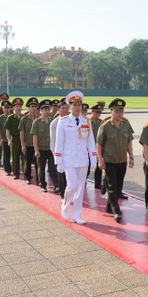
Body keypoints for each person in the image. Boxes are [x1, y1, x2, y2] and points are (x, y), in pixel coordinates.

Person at [54, 91, 97, 224]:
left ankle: (77, 215)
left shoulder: (86, 122)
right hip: (69, 159)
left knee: (80, 188)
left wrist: (94, 160)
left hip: (83, 160)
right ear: (70, 106)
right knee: (72, 185)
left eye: (80, 105)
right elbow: (59, 143)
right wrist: (59, 162)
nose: (78, 107)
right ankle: (65, 206)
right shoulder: (63, 122)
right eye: (75, 105)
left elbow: (91, 142)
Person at [96, 98, 134, 222]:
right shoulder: (105, 126)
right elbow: (99, 144)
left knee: (118, 186)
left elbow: (129, 142)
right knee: (112, 186)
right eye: (116, 111)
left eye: (121, 111)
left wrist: (131, 157)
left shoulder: (126, 125)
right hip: (109, 160)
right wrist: (100, 160)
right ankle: (116, 210)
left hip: (122, 160)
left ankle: (109, 207)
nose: (119, 113)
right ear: (111, 112)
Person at [31, 99, 58, 193]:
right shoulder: (37, 122)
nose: (47, 111)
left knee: (53, 168)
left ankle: (56, 185)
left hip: (51, 149)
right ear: (41, 110)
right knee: (41, 168)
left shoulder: (54, 121)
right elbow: (35, 137)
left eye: (48, 109)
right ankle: (43, 185)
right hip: (41, 149)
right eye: (45, 109)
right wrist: (36, 150)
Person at [50, 100, 69, 198]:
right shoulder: (54, 123)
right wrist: (56, 156)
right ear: (58, 110)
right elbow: (53, 142)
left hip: (70, 153)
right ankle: (62, 194)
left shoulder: (72, 120)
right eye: (63, 108)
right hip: (60, 154)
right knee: (61, 175)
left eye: (67, 108)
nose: (65, 110)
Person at [19, 97, 39, 185]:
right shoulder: (24, 119)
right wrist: (23, 145)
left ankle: (39, 178)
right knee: (28, 163)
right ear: (28, 107)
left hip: (38, 145)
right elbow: (22, 133)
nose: (34, 108)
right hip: (28, 144)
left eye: (35, 106)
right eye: (32, 106)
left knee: (38, 163)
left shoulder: (39, 119)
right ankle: (27, 177)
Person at [4, 98, 24, 179]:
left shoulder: (24, 117)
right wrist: (9, 140)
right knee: (15, 157)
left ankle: (26, 173)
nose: (18, 108)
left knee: (24, 157)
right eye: (17, 106)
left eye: (20, 106)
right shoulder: (10, 118)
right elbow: (7, 130)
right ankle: (16, 173)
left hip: (23, 140)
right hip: (15, 139)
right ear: (13, 108)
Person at [0, 100, 12, 176]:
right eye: (5, 108)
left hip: (13, 139)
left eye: (8, 108)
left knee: (14, 155)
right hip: (5, 139)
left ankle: (14, 168)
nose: (6, 109)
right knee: (6, 155)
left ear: (10, 108)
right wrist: (0, 139)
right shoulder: (0, 118)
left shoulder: (13, 116)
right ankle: (7, 169)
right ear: (2, 108)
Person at [89, 104, 103, 190]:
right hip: (89, 147)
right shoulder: (87, 122)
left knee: (99, 167)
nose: (98, 115)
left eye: (99, 113)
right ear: (92, 112)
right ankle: (84, 182)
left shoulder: (100, 122)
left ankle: (97, 184)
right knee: (86, 166)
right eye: (96, 113)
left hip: (98, 147)